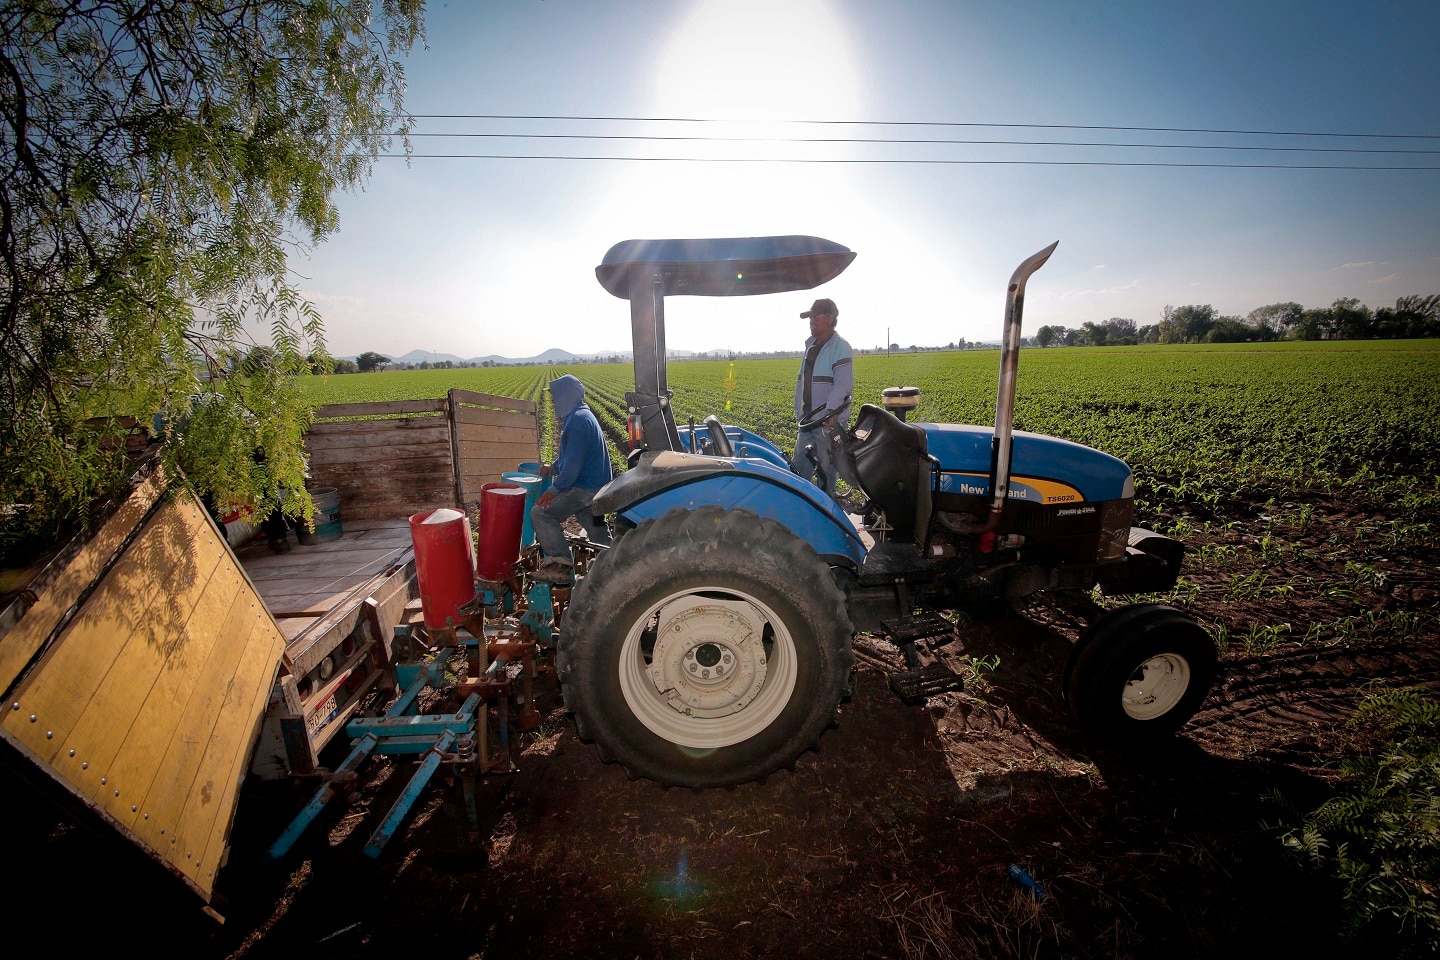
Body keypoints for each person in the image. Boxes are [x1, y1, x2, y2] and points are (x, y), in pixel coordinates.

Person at [531, 374, 613, 582]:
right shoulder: (581, 415)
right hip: (597, 484)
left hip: (585, 486)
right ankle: (614, 562)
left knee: (541, 514)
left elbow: (573, 468)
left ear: (566, 396)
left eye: (556, 397)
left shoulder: (576, 422)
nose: (554, 401)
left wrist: (553, 491)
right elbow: (570, 458)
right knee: (592, 523)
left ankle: (560, 564)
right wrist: (553, 467)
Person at [792, 297, 853, 496]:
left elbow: (843, 385)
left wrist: (830, 413)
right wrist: (799, 410)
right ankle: (802, 510)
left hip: (827, 424)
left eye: (815, 316)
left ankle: (826, 512)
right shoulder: (810, 347)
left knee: (826, 476)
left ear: (830, 317)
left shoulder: (839, 347)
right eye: (810, 317)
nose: (811, 321)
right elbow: (802, 383)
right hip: (807, 421)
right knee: (798, 472)